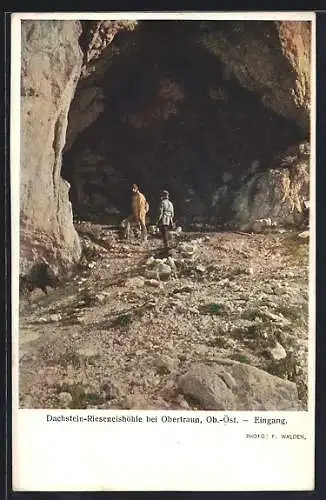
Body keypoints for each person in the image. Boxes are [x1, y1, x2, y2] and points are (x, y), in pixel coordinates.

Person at [157, 190, 174, 254]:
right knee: (166, 232)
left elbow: (160, 213)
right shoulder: (170, 203)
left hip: (164, 219)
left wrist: (158, 221)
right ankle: (167, 246)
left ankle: (166, 247)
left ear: (163, 196)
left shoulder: (162, 202)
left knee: (164, 233)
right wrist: (171, 221)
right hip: (169, 219)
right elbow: (172, 213)